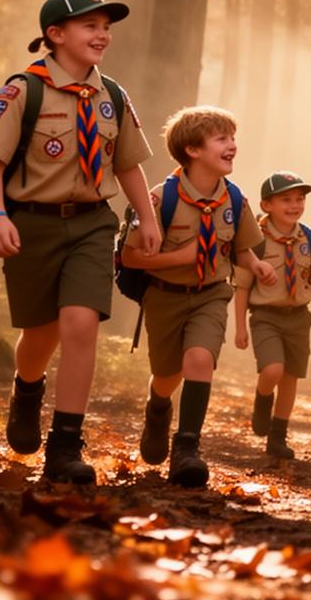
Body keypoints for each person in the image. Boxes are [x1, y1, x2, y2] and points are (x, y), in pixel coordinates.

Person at [0, 0, 157, 484]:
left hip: (93, 222)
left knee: (80, 323)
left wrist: (148, 219)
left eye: (106, 27)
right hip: (32, 223)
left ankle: (66, 446)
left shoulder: (112, 96)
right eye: (90, 26)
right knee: (41, 333)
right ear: (55, 34)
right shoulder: (23, 91)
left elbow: (128, 164)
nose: (102, 35)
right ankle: (27, 389)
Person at [117, 106, 273, 487]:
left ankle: (187, 448)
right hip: (165, 296)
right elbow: (130, 257)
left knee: (200, 359)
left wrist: (255, 265)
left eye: (233, 138)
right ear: (193, 150)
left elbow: (239, 247)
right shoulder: (159, 200)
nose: (232, 145)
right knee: (167, 375)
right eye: (221, 139)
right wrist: (178, 258)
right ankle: (158, 408)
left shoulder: (234, 200)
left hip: (211, 294)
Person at [234, 172, 311, 460]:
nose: (294, 205)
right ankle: (263, 399)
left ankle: (278, 436)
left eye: (300, 199)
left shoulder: (309, 239)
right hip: (266, 316)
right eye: (286, 199)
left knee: (290, 377)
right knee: (273, 370)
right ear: (267, 205)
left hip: (298, 317)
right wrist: (240, 328)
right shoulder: (255, 242)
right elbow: (242, 287)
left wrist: (306, 293)